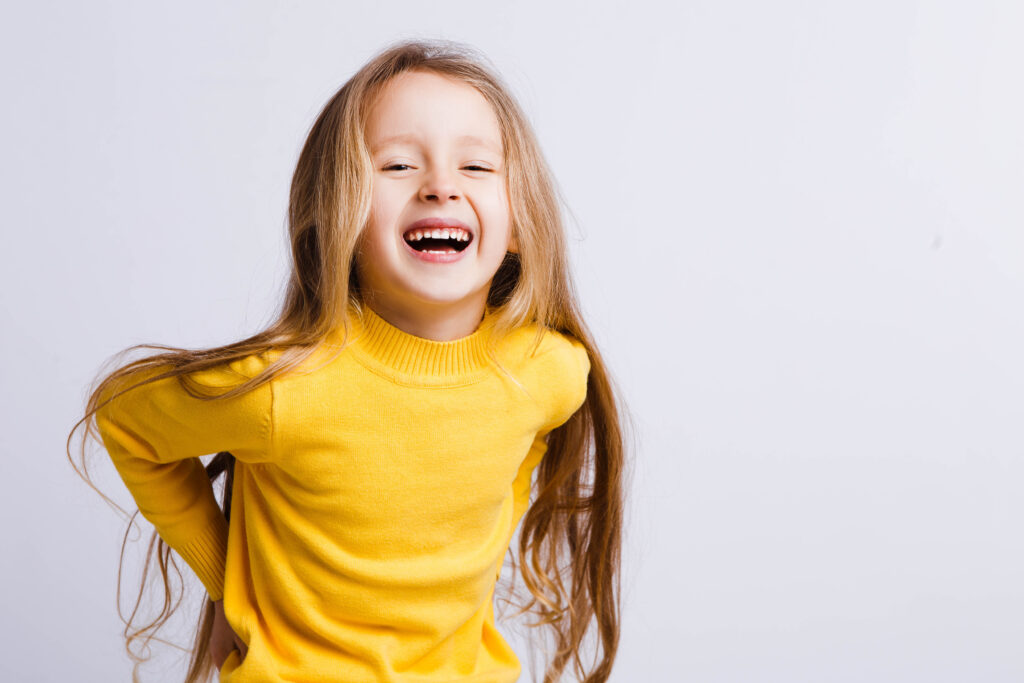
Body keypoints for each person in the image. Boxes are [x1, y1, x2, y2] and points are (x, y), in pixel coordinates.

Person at [69, 37, 628, 683]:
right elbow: (124, 419)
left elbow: (515, 457)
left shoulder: (548, 373)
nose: (441, 187)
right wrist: (226, 582)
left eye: (476, 166)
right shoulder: (286, 389)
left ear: (522, 221)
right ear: (336, 214)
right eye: (397, 165)